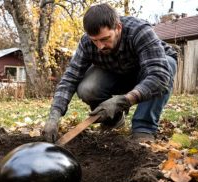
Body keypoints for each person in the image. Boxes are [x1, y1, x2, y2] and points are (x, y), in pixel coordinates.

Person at [43, 3, 177, 143]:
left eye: (105, 39)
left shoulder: (139, 31)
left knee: (168, 65)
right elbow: (70, 78)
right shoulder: (87, 43)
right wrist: (54, 115)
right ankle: (113, 120)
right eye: (95, 40)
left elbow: (159, 76)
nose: (100, 46)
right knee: (87, 88)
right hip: (116, 73)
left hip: (148, 72)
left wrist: (124, 101)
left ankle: (144, 128)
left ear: (118, 27)